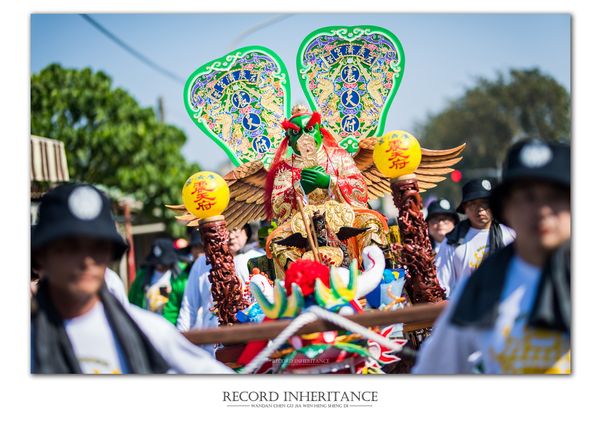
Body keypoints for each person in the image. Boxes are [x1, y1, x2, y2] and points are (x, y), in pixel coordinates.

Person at [30, 183, 231, 373]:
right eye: (70, 247)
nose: (87, 260)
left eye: (99, 247)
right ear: (41, 256)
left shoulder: (148, 332)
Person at [413, 138, 570, 374]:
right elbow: (434, 373)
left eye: (555, 197)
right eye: (527, 197)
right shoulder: (478, 288)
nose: (542, 210)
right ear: (506, 208)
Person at [176, 223, 264, 335]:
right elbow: (188, 308)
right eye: (226, 230)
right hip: (211, 342)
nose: (232, 236)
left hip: (251, 338)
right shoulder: (202, 263)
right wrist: (181, 339)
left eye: (236, 229)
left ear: (246, 232)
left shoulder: (258, 259)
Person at [436, 177, 515, 296]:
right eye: (473, 204)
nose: (480, 209)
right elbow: (442, 286)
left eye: (486, 203)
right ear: (464, 208)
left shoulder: (510, 235)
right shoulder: (452, 241)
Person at [127, 238, 189, 325]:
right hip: (146, 326)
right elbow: (131, 302)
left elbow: (186, 306)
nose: (159, 266)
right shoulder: (142, 276)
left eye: (163, 263)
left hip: (171, 327)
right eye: (157, 263)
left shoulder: (180, 277)